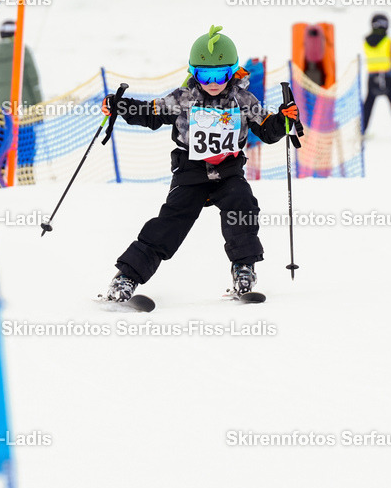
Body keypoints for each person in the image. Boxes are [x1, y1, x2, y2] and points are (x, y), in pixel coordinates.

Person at [101, 25, 301, 302]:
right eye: (205, 74)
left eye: (220, 74)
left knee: (242, 204)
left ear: (232, 72)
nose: (213, 81)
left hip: (228, 171)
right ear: (194, 73)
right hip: (190, 172)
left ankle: (243, 268)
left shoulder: (242, 99)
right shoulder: (184, 98)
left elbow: (267, 130)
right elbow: (151, 113)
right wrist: (122, 106)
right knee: (171, 221)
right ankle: (126, 278)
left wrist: (284, 119)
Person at [0, 20, 43, 185]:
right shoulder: (22, 50)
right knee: (26, 145)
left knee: (2, 144)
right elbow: (33, 81)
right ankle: (26, 178)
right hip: (23, 107)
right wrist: (38, 108)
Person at [361, 13, 391, 138]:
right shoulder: (388, 41)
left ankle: (361, 131)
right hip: (387, 76)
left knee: (368, 105)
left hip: (372, 77)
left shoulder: (366, 41)